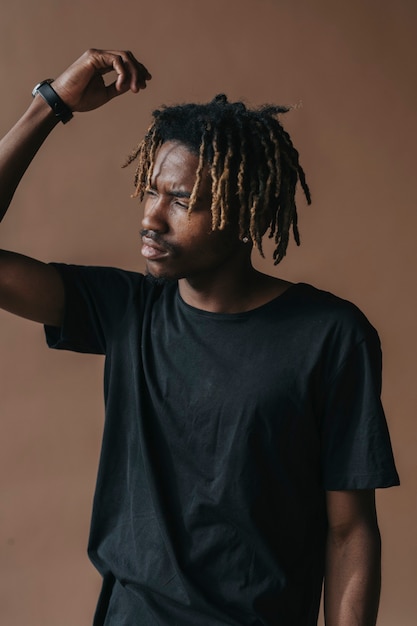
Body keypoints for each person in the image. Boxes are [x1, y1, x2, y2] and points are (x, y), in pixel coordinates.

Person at [0, 49, 399, 626]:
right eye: (151, 190)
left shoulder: (330, 336)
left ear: (243, 210)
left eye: (182, 200)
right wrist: (51, 104)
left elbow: (349, 531)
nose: (152, 217)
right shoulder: (127, 310)